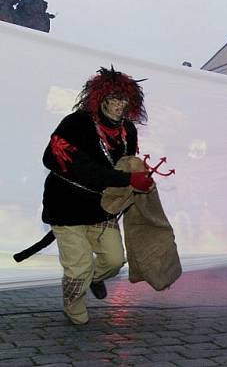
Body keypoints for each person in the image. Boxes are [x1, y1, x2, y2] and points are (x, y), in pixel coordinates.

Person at [39, 67, 152, 325]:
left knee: (114, 261)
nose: (117, 105)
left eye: (124, 99)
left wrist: (140, 175)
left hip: (102, 208)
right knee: (79, 268)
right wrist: (125, 179)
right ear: (98, 97)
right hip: (65, 206)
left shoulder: (129, 131)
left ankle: (92, 278)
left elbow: (125, 164)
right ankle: (73, 301)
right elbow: (59, 161)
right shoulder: (75, 123)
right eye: (112, 98)